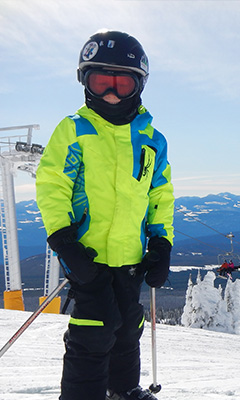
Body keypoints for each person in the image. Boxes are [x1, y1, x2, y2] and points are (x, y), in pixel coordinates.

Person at [36, 30, 174, 400]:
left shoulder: (151, 140)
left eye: (122, 84)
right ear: (86, 83)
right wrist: (64, 241)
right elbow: (52, 184)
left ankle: (122, 389)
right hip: (88, 254)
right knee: (95, 328)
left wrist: (161, 242)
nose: (112, 93)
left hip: (130, 254)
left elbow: (160, 193)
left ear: (138, 86)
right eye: (102, 83)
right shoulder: (75, 130)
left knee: (129, 325)